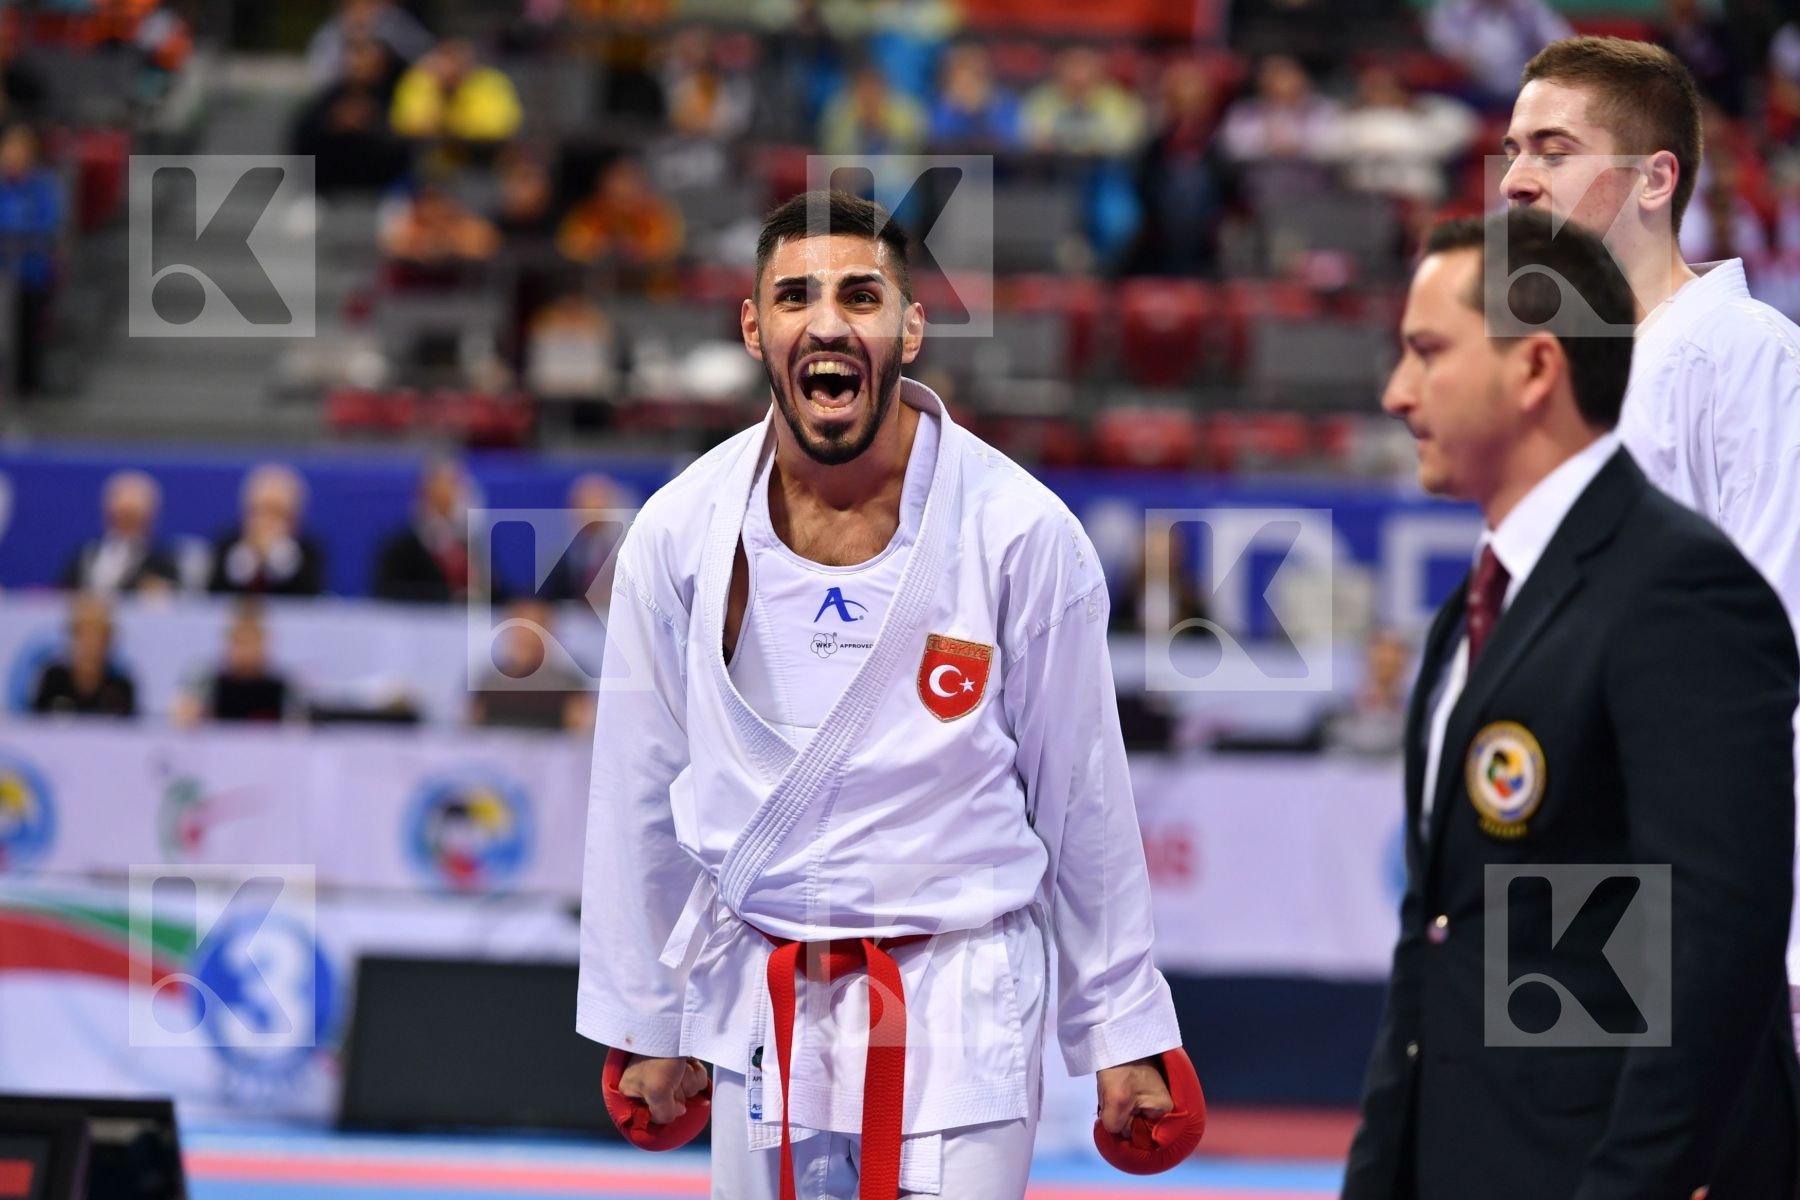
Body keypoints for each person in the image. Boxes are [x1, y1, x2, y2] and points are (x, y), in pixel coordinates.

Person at [577, 190, 1196, 1199]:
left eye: (861, 295)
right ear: (753, 327)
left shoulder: (1021, 534)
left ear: (910, 327)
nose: (827, 322)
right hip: (760, 1003)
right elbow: (639, 791)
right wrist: (650, 1017)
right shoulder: (679, 532)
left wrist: (1121, 1028)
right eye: (795, 297)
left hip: (957, 999)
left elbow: (1083, 798)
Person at [1343, 207, 1798, 1200]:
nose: (1396, 392)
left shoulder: (1682, 592)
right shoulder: (1474, 613)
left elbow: (1714, 941)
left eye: (1427, 352)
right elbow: (1437, 945)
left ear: (1535, 370)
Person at [1502, 34, 1800, 1026]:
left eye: (1553, 149)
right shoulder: (1553, 383)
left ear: (1655, 178)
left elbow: (1772, 644)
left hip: (1717, 881)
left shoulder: (1747, 358)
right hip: (1577, 863)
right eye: (1511, 150)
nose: (1516, 182)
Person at [208, 463, 327, 596]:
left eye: (277, 513)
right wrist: (249, 557)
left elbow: (308, 600)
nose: (267, 522)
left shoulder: (310, 552)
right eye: (260, 511)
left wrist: (277, 554)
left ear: (295, 519)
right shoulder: (225, 545)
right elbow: (213, 599)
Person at [373, 457, 479, 603]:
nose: (449, 498)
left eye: (454, 489)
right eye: (439, 493)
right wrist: (451, 597)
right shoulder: (400, 548)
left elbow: (497, 594)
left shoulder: (473, 544)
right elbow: (386, 593)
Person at [59, 469, 179, 595]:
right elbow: (60, 595)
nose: (126, 523)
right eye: (121, 515)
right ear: (108, 513)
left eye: (133, 516)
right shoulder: (86, 553)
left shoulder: (162, 560)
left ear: (149, 518)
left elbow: (175, 601)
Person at [173, 603, 292, 725]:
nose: (247, 651)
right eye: (240, 642)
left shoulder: (283, 687)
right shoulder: (209, 683)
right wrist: (189, 713)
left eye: (253, 643)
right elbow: (181, 716)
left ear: (264, 645)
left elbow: (299, 723)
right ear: (228, 644)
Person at [31, 594, 136, 718]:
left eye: (97, 635)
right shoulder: (54, 679)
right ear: (73, 636)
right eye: (83, 634)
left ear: (108, 639)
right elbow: (34, 727)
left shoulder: (120, 686)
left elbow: (130, 733)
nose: (90, 643)